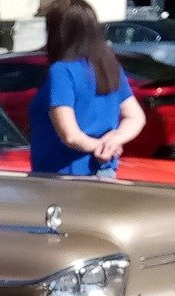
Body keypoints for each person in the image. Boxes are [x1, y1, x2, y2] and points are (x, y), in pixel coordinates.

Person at [28, 0, 144, 177]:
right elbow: (135, 117)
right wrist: (113, 141)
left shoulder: (61, 70)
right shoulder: (108, 66)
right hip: (105, 171)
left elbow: (70, 135)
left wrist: (100, 147)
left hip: (63, 176)